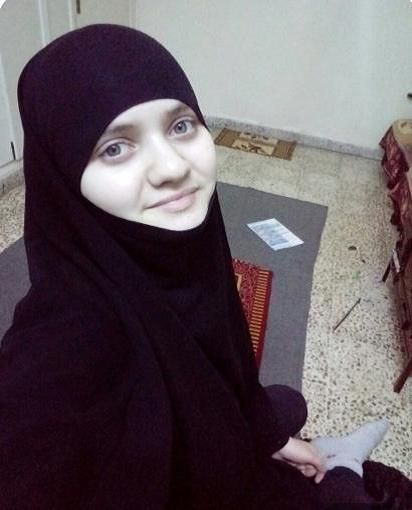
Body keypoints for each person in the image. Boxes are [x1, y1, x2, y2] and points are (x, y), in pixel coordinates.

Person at [0, 24, 409, 509]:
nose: (173, 168)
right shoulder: (57, 355)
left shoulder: (188, 250)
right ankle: (342, 465)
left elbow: (222, 359)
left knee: (287, 411)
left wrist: (267, 435)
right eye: (115, 147)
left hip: (222, 457)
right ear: (62, 177)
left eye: (180, 126)